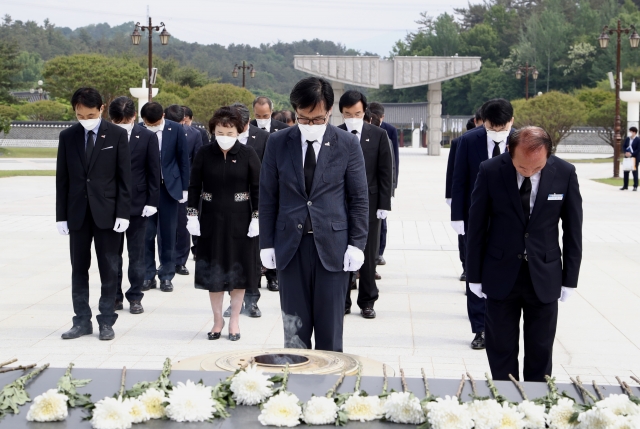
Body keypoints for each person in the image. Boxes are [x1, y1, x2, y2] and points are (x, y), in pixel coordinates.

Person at [259, 77, 369, 351]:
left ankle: (329, 390)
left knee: (330, 331)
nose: (310, 126)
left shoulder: (347, 144)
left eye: (317, 120)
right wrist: (266, 243)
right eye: (303, 119)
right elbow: (268, 195)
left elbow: (358, 198)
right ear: (295, 111)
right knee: (294, 331)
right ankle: (296, 386)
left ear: (329, 111)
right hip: (290, 247)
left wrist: (357, 244)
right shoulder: (278, 142)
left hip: (332, 248)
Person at [466, 126, 582, 381]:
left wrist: (570, 279)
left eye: (536, 169)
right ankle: (506, 403)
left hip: (544, 274)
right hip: (500, 273)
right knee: (501, 348)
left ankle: (536, 406)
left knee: (541, 349)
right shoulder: (490, 170)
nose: (529, 173)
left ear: (548, 156)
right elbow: (476, 227)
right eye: (522, 168)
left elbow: (573, 230)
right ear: (509, 151)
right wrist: (474, 275)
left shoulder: (564, 172)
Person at [56, 87, 131, 341]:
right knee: (79, 268)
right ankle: (81, 320)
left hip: (108, 213)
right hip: (77, 213)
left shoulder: (118, 135)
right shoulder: (68, 137)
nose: (85, 120)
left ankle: (107, 320)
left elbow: (124, 177)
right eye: (79, 116)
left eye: (89, 115)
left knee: (109, 268)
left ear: (101, 109)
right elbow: (62, 179)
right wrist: (61, 216)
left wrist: (123, 212)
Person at [186, 106, 261, 342]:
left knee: (239, 273)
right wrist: (191, 214)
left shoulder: (248, 154)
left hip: (241, 220)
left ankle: (235, 320)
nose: (224, 137)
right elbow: (194, 185)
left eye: (229, 133)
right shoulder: (204, 153)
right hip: (211, 219)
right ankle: (217, 320)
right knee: (214, 272)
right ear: (213, 131)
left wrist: (257, 217)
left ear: (239, 131)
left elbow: (258, 188)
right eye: (220, 132)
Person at [451, 98, 515, 350]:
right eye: (492, 127)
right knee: (475, 272)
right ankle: (479, 329)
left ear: (511, 121)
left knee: (505, 274)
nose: (497, 133)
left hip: (510, 220)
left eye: (503, 128)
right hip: (475, 216)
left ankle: (502, 326)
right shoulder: (469, 141)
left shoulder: (522, 139)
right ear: (483, 121)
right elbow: (459, 179)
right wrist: (457, 216)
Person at [338, 90, 393, 319]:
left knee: (368, 254)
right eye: (348, 113)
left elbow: (385, 171)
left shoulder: (378, 135)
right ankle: (342, 300)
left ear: (365, 112)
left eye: (357, 113)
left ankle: (368, 300)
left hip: (370, 203)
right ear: (341, 113)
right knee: (341, 254)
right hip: (340, 203)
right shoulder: (335, 134)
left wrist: (384, 203)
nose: (353, 117)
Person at [109, 97, 160, 315]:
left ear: (133, 118)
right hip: (110, 204)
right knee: (112, 255)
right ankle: (114, 296)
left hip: (139, 204)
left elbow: (153, 171)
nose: (121, 124)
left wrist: (152, 201)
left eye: (125, 120)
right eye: (116, 121)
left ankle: (136, 295)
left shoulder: (146, 136)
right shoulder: (105, 136)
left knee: (136, 255)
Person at [222, 102, 271, 318]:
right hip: (227, 206)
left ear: (248, 122)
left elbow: (270, 172)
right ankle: (234, 300)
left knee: (252, 255)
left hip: (254, 204)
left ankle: (252, 299)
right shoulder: (221, 138)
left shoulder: (263, 138)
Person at [140, 102, 190, 293]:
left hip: (169, 188)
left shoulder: (175, 128)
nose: (151, 126)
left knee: (169, 234)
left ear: (163, 115)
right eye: (148, 123)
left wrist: (184, 188)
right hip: (146, 190)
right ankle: (147, 274)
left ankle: (167, 275)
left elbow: (183, 159)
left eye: (155, 122)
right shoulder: (139, 130)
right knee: (146, 234)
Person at [250, 97, 288, 293]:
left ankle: (273, 276)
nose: (261, 119)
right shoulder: (249, 129)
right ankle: (255, 275)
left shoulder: (282, 129)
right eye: (257, 116)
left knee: (275, 234)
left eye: (265, 116)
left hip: (278, 186)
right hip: (256, 188)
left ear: (272, 112)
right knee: (257, 235)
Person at [163, 105, 203, 277]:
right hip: (162, 184)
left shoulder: (194, 134)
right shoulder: (158, 131)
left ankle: (180, 260)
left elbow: (197, 161)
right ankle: (165, 261)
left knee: (182, 224)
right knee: (164, 227)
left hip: (183, 185)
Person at [445, 110, 483, 282]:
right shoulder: (461, 141)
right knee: (465, 236)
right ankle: (467, 267)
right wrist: (450, 196)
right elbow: (453, 172)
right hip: (469, 196)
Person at [369, 102, 399, 267]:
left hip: (382, 185)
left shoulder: (389, 131)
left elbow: (393, 163)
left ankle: (379, 252)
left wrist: (392, 188)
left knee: (382, 223)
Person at [621, 126, 640, 191]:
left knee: (635, 172)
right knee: (626, 171)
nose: (630, 133)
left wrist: (631, 154)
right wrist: (625, 152)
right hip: (627, 157)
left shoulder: (638, 140)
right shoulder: (627, 139)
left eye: (631, 131)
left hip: (634, 158)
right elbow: (624, 146)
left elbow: (638, 149)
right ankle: (625, 185)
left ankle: (635, 186)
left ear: (634, 132)